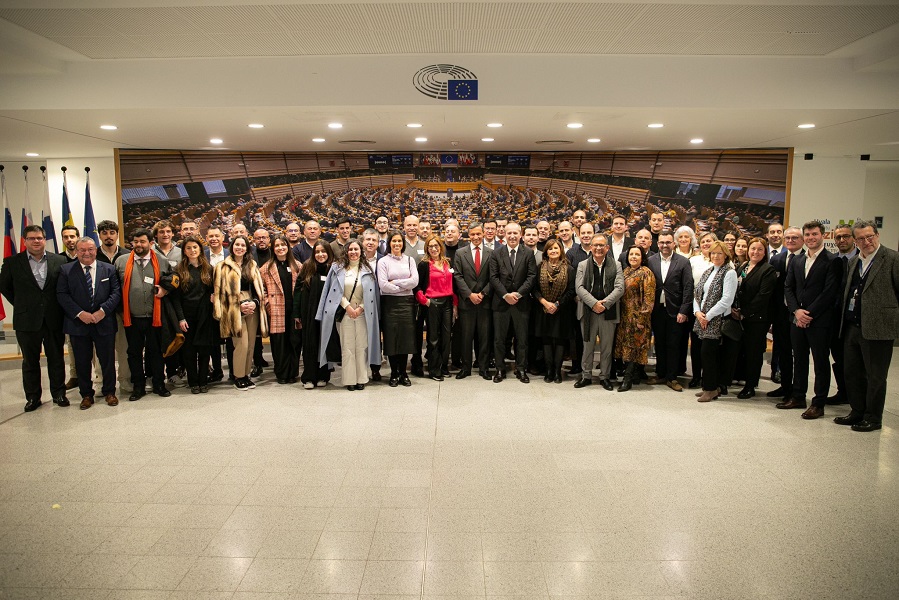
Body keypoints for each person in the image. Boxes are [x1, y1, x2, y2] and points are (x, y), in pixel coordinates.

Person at [834, 219, 899, 432]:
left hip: (878, 328)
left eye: (869, 236)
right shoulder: (854, 262)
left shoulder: (891, 258)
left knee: (876, 376)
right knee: (852, 373)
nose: (866, 241)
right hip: (852, 326)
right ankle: (857, 411)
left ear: (877, 235)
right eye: (861, 238)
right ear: (856, 240)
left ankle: (873, 417)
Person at [0, 225, 69, 412]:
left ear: (44, 239)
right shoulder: (12, 262)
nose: (36, 241)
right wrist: (22, 304)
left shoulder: (59, 260)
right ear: (25, 241)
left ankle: (59, 394)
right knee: (30, 361)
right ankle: (32, 397)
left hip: (53, 318)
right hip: (27, 320)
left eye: (39, 238)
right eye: (31, 238)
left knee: (56, 359)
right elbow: (5, 287)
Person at [781, 220, 840, 420]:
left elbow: (829, 292)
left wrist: (808, 314)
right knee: (799, 359)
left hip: (819, 321)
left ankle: (818, 403)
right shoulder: (797, 260)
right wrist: (797, 311)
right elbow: (788, 287)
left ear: (823, 235)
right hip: (797, 320)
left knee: (821, 362)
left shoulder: (832, 260)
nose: (810, 238)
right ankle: (798, 396)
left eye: (814, 234)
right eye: (807, 235)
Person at [57, 237, 122, 409]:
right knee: (82, 362)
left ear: (96, 250)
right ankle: (86, 394)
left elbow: (116, 293)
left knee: (107, 360)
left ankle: (110, 392)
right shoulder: (66, 270)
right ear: (77, 251)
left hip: (104, 322)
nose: (87, 253)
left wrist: (103, 311)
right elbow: (62, 295)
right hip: (78, 324)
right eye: (82, 250)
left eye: (90, 249)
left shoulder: (108, 269)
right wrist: (80, 314)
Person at [115, 227, 172, 400]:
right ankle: (138, 386)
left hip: (155, 317)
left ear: (151, 243)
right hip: (131, 317)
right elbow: (115, 287)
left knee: (155, 352)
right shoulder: (121, 261)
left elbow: (171, 282)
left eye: (142, 241)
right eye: (136, 242)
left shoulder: (161, 260)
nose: (138, 245)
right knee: (134, 353)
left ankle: (158, 384)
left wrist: (165, 290)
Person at [317, 239, 381, 391]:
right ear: (346, 251)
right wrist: (347, 307)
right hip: (345, 313)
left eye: (356, 249)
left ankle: (361, 378)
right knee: (347, 347)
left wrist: (361, 308)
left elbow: (373, 295)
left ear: (361, 251)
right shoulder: (337, 268)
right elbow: (333, 291)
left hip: (363, 313)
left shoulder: (368, 269)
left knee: (361, 347)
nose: (353, 252)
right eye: (350, 249)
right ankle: (349, 379)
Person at [213, 235, 268, 390]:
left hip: (252, 306)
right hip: (233, 309)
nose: (240, 248)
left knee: (251, 343)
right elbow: (219, 294)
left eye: (243, 245)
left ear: (247, 248)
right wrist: (238, 306)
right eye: (237, 245)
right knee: (241, 344)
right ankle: (238, 376)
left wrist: (255, 303)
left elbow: (258, 289)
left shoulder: (252, 265)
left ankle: (246, 374)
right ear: (232, 246)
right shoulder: (221, 266)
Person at [574, 234, 624, 390]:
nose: (598, 248)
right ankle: (586, 376)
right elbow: (579, 288)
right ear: (591, 247)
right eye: (595, 245)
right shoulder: (583, 265)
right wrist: (594, 303)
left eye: (602, 245)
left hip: (608, 313)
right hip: (588, 312)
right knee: (587, 346)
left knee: (606, 348)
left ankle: (605, 377)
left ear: (607, 248)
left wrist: (605, 303)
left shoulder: (616, 265)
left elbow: (620, 288)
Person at [489, 222, 537, 383]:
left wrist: (518, 294)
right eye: (509, 233)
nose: (512, 236)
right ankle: (500, 369)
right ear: (504, 234)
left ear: (520, 235)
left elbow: (531, 277)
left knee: (522, 339)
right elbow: (493, 278)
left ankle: (521, 369)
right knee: (499, 339)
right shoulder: (496, 253)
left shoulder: (528, 253)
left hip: (521, 303)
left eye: (515, 233)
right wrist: (505, 295)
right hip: (501, 304)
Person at [647, 231, 694, 392]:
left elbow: (688, 287)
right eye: (662, 242)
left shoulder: (682, 262)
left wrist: (684, 310)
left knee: (674, 344)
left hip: (676, 310)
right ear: (657, 244)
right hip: (657, 310)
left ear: (673, 243)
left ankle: (672, 377)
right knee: (659, 343)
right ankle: (661, 374)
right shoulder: (651, 260)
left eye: (668, 242)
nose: (665, 245)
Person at [693, 241, 737, 402]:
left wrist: (708, 316)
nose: (716, 256)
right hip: (703, 319)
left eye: (719, 253)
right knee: (705, 355)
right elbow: (697, 294)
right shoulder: (708, 271)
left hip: (716, 320)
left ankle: (711, 389)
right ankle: (708, 386)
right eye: (713, 253)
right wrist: (697, 312)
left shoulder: (729, 273)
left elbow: (727, 300)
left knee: (709, 355)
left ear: (726, 255)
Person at [732, 237, 776, 399]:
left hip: (756, 319)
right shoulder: (743, 266)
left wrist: (743, 312)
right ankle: (740, 379)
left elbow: (763, 296)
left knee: (753, 353)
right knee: (741, 351)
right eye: (753, 249)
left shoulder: (767, 270)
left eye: (759, 249)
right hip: (739, 316)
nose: (755, 252)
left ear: (765, 252)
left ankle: (751, 386)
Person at [172, 236, 215, 394]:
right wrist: (180, 318)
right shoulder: (179, 270)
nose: (192, 251)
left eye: (195, 247)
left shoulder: (208, 268)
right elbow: (176, 298)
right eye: (189, 248)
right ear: (184, 251)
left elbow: (212, 290)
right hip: (187, 316)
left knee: (204, 350)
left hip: (205, 315)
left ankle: (203, 381)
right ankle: (193, 382)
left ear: (200, 249)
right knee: (189, 352)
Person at [377, 231, 420, 386]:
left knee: (405, 339)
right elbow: (383, 285)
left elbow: (414, 281)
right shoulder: (383, 262)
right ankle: (394, 373)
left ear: (403, 243)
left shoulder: (409, 260)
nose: (397, 244)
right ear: (389, 243)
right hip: (389, 304)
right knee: (391, 339)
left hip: (407, 303)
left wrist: (395, 283)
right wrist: (403, 285)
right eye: (394, 241)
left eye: (399, 241)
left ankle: (403, 373)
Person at [767, 227, 804, 400]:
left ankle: (798, 391)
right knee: (783, 351)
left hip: (801, 314)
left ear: (802, 239)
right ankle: (785, 387)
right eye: (788, 237)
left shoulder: (807, 258)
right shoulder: (777, 259)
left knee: (800, 354)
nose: (790, 240)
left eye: (794, 237)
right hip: (781, 314)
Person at [453, 222, 493, 380]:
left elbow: (494, 277)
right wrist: (469, 294)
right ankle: (466, 368)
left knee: (484, 337)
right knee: (466, 337)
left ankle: (483, 368)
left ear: (483, 234)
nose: (476, 237)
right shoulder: (460, 253)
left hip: (485, 302)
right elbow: (457, 276)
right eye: (472, 235)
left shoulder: (491, 253)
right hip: (467, 302)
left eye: (478, 234)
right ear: (468, 236)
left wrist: (483, 293)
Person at [533, 239, 575, 383]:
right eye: (550, 249)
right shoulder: (539, 267)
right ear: (546, 252)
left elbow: (571, 290)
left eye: (556, 248)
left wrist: (557, 304)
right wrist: (545, 302)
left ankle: (557, 371)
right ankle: (549, 371)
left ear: (561, 250)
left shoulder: (569, 268)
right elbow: (534, 289)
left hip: (562, 310)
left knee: (559, 341)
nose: (553, 251)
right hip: (543, 310)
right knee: (546, 341)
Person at [95, 219, 130, 394]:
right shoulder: (92, 255)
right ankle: (102, 381)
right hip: (100, 310)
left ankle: (125, 380)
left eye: (112, 233)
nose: (108, 236)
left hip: (122, 309)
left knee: (123, 347)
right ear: (99, 235)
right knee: (102, 350)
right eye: (104, 233)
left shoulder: (127, 254)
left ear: (117, 235)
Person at [615, 246, 656, 392]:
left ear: (642, 257)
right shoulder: (625, 272)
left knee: (634, 347)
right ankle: (634, 375)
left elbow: (649, 299)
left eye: (637, 254)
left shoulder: (646, 273)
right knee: (626, 347)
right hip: (624, 317)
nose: (633, 257)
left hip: (638, 318)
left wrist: (642, 319)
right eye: (631, 254)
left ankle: (628, 380)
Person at [261, 235, 301, 384]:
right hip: (277, 311)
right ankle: (282, 373)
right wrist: (267, 304)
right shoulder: (266, 268)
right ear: (273, 249)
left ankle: (293, 372)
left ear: (288, 247)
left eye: (283, 245)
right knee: (279, 343)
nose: (280, 248)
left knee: (294, 342)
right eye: (276, 246)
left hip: (294, 311)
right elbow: (261, 290)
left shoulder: (297, 265)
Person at [295, 241, 335, 389]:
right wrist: (297, 313)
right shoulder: (307, 267)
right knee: (310, 344)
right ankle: (309, 377)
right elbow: (298, 291)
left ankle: (323, 375)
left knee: (324, 343)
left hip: (327, 314)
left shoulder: (333, 268)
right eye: (317, 252)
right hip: (308, 313)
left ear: (329, 253)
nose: (320, 255)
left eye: (323, 251)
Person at [415, 235, 456, 381]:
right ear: (427, 248)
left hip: (447, 303)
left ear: (441, 247)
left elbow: (454, 285)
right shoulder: (424, 264)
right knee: (433, 338)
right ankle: (434, 369)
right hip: (432, 303)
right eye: (430, 246)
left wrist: (455, 305)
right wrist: (424, 301)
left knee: (446, 337)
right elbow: (417, 286)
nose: (433, 248)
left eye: (436, 245)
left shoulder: (447, 263)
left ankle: (444, 366)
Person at [828, 224, 859, 405]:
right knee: (838, 358)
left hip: (853, 320)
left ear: (853, 238)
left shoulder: (861, 259)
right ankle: (843, 392)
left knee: (855, 361)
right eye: (838, 237)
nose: (842, 240)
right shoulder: (833, 261)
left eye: (846, 236)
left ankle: (856, 397)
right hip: (834, 319)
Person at [687, 231, 718, 388]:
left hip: (715, 312)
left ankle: (710, 378)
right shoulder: (693, 260)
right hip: (696, 309)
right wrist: (697, 310)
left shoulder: (723, 261)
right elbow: (689, 286)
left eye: (709, 241)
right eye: (703, 241)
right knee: (696, 345)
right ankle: (696, 376)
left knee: (711, 347)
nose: (706, 244)